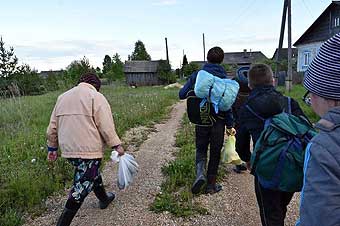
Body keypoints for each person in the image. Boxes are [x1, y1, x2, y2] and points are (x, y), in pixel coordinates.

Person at [46, 72, 124, 226]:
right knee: (80, 188)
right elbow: (106, 124)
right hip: (88, 150)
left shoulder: (62, 97)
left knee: (90, 173)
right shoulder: (96, 97)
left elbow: (52, 127)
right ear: (96, 86)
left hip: (69, 151)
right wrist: (116, 144)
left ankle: (104, 198)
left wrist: (52, 148)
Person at [236, 64, 306, 226]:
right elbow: (304, 130)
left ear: (250, 85)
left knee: (270, 213)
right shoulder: (289, 103)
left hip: (265, 167)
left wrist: (247, 159)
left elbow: (241, 142)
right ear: (273, 81)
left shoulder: (247, 108)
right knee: (281, 206)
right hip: (291, 165)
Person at [296, 33, 340, 226]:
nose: (310, 100)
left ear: (330, 97)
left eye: (311, 93)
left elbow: (318, 220)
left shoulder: (324, 147)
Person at [179, 46, 234, 194]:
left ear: (207, 59)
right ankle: (211, 185)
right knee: (215, 151)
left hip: (201, 119)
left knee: (201, 148)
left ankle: (199, 174)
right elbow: (228, 104)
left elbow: (182, 94)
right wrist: (230, 124)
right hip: (219, 121)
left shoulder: (198, 75)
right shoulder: (225, 79)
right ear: (221, 60)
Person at [232, 66, 251, 173]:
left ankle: (240, 162)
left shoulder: (234, 83)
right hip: (247, 118)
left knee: (239, 140)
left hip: (238, 118)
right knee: (245, 139)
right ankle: (245, 160)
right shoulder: (253, 86)